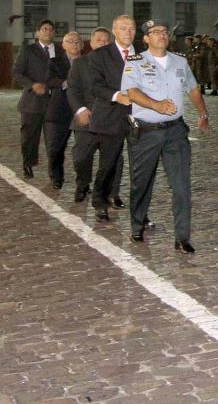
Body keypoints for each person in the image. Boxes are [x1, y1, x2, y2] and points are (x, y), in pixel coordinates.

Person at [122, 19, 210, 253]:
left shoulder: (180, 61)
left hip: (175, 132)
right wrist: (156, 105)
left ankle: (182, 237)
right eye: (155, 32)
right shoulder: (135, 62)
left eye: (164, 31)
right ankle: (137, 224)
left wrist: (203, 113)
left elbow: (192, 88)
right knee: (141, 182)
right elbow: (132, 93)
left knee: (181, 185)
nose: (161, 35)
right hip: (146, 132)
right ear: (146, 38)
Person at [85, 15, 136, 222]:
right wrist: (117, 96)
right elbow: (95, 86)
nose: (128, 32)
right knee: (108, 164)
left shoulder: (144, 54)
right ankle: (100, 202)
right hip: (111, 115)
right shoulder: (100, 55)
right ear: (114, 31)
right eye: (123, 28)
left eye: (132, 28)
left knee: (142, 164)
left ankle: (140, 208)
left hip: (141, 116)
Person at [67, 27, 115, 203]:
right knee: (81, 157)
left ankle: (108, 193)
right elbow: (72, 89)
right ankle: (83, 184)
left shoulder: (118, 64)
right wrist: (80, 109)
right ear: (91, 43)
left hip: (111, 119)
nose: (103, 43)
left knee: (112, 160)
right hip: (87, 118)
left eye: (106, 41)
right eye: (99, 40)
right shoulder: (80, 64)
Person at [14, 18, 57, 179]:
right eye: (44, 29)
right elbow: (17, 73)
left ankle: (55, 172)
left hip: (54, 102)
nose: (48, 32)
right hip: (32, 102)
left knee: (54, 139)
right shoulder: (28, 50)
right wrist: (32, 85)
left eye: (51, 29)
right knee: (29, 137)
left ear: (54, 33)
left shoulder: (59, 50)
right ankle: (28, 164)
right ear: (37, 33)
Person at [43, 31, 82, 189]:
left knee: (83, 151)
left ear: (82, 45)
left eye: (77, 41)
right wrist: (66, 83)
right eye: (70, 41)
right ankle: (56, 177)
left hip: (81, 111)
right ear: (63, 45)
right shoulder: (54, 62)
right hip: (59, 110)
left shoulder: (88, 62)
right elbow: (49, 80)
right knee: (55, 149)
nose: (74, 44)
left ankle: (83, 183)